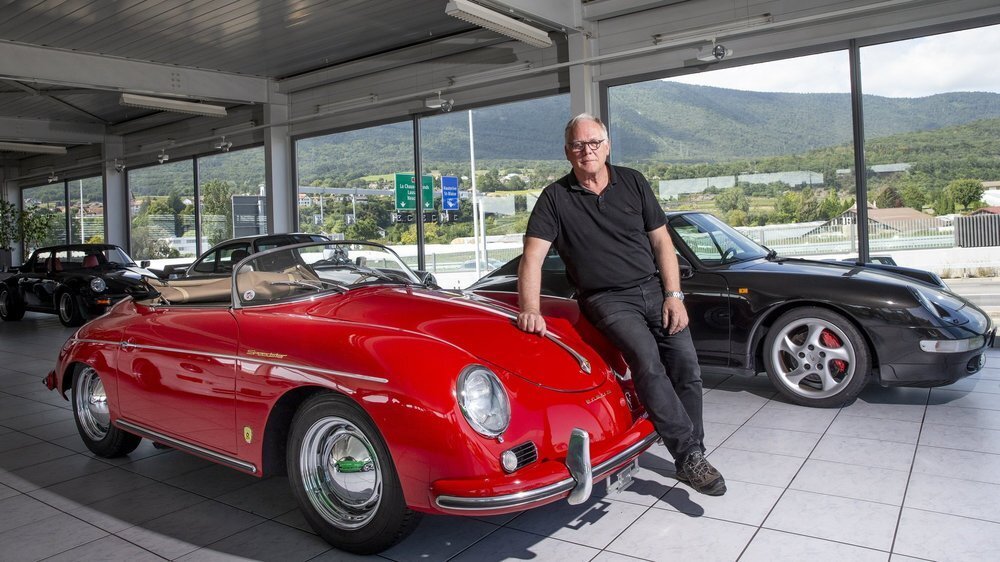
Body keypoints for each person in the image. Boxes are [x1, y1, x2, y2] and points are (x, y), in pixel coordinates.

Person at [516, 113, 726, 496]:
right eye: (579, 145)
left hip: (654, 289)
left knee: (687, 369)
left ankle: (692, 448)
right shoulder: (554, 198)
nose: (587, 150)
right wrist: (530, 309)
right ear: (568, 152)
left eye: (594, 142)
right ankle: (689, 456)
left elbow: (663, 243)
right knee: (647, 362)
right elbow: (532, 257)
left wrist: (674, 295)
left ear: (607, 146)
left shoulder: (633, 182)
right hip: (607, 299)